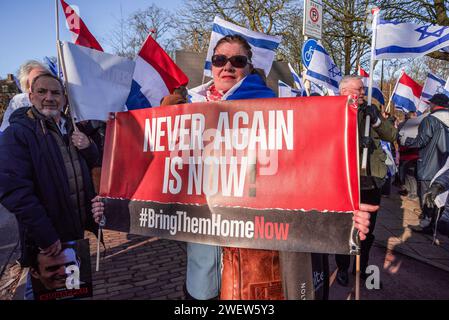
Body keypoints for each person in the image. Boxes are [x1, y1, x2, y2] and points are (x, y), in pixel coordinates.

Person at [92, 36, 376, 300]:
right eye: (220, 60)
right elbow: (150, 162)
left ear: (248, 67)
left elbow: (308, 168)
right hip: (201, 246)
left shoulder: (275, 108)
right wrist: (112, 199)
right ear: (211, 65)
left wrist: (344, 211)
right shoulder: (186, 107)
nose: (228, 66)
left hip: (251, 252)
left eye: (237, 61)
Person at [0, 73, 99, 299]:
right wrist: (45, 234)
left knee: (71, 292)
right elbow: (14, 191)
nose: (49, 97)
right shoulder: (18, 133)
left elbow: (94, 164)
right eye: (42, 92)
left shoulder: (72, 127)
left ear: (64, 98)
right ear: (31, 96)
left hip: (74, 232)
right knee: (43, 292)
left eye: (55, 92)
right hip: (48, 237)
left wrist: (89, 147)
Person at [335, 75, 398, 287]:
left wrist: (378, 120)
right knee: (345, 227)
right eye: (358, 90)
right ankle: (342, 267)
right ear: (343, 91)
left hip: (371, 178)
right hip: (345, 177)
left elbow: (391, 136)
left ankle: (362, 267)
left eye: (363, 90)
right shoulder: (334, 110)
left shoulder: (371, 110)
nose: (362, 93)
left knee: (368, 230)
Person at [400, 93, 449, 234]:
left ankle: (427, 223)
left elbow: (421, 141)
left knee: (427, 196)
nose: (429, 105)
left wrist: (406, 141)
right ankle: (436, 223)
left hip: (429, 165)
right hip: (445, 166)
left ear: (435, 104)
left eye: (431, 103)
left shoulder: (430, 120)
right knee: (441, 197)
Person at [0, 60, 49, 132]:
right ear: (28, 88)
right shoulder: (20, 101)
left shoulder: (63, 97)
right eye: (36, 80)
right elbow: (5, 132)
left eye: (46, 76)